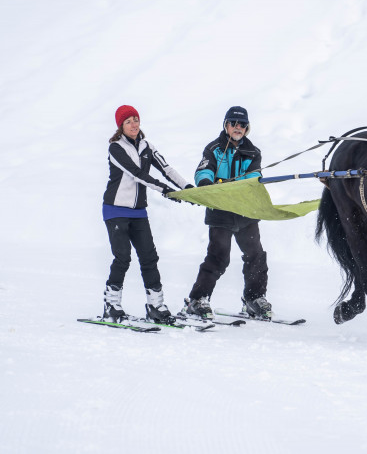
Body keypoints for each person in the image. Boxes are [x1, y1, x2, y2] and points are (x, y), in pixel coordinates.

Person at [101, 105, 193, 323]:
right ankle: (111, 305)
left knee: (149, 258)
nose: (134, 124)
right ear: (121, 127)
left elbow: (167, 169)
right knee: (123, 257)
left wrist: (188, 189)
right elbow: (137, 174)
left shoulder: (147, 147)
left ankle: (156, 306)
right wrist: (165, 190)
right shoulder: (115, 148)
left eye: (136, 119)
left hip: (138, 213)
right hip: (115, 210)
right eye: (128, 122)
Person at [179, 106, 273, 320]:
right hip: (220, 212)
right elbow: (203, 170)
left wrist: (238, 184)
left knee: (256, 256)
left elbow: (253, 178)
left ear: (247, 128)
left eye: (242, 124)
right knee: (218, 257)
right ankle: (198, 299)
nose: (237, 127)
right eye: (233, 123)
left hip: (245, 212)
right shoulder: (214, 148)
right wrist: (206, 184)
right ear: (226, 125)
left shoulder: (253, 152)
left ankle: (254, 299)